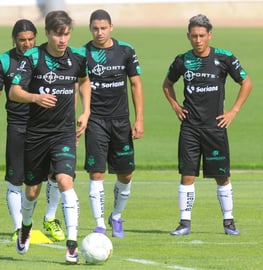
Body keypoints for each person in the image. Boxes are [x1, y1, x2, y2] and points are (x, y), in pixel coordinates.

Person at [9, 10, 91, 264]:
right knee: (32, 191)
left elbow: (84, 80)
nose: (62, 39)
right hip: (36, 134)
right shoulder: (33, 58)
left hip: (64, 133)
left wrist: (86, 112)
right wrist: (35, 97)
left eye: (66, 34)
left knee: (66, 181)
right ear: (48, 34)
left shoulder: (77, 57)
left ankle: (72, 244)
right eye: (58, 34)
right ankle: (25, 226)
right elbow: (14, 92)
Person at [162, 14, 253, 236]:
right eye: (194, 36)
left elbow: (246, 82)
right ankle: (184, 222)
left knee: (222, 176)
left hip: (215, 127)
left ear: (209, 35)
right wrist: (175, 106)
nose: (198, 40)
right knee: (187, 175)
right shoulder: (182, 60)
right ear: (188, 36)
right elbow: (167, 84)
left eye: (202, 35)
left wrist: (233, 111)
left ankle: (229, 221)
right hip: (190, 128)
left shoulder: (224, 58)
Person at [0, 19, 65, 242]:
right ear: (14, 39)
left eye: (31, 39)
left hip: (46, 127)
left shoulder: (46, 57)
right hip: (18, 126)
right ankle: (19, 228)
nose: (27, 44)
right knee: (16, 179)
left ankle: (50, 219)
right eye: (22, 40)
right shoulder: (3, 61)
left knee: (56, 174)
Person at [83, 9, 144, 238]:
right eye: (95, 28)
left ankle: (116, 216)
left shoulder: (126, 51)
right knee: (96, 173)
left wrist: (138, 119)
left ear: (111, 27)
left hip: (121, 122)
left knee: (125, 174)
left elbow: (136, 85)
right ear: (90, 29)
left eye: (103, 28)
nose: (99, 33)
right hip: (95, 121)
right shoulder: (82, 53)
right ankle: (99, 224)